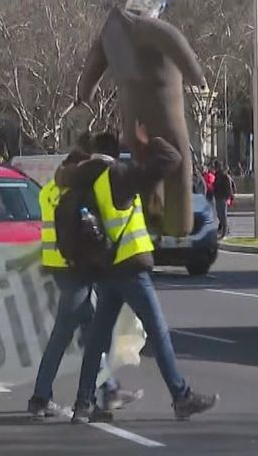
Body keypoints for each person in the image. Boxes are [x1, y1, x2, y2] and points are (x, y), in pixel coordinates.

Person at [71, 126, 218, 423]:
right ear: (115, 152)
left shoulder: (93, 181)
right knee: (159, 332)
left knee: (98, 338)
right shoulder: (119, 176)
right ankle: (181, 396)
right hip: (130, 269)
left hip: (108, 269)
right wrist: (147, 141)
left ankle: (83, 403)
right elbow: (171, 158)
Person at [28, 137, 141, 419]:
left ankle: (103, 391)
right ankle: (46, 397)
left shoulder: (48, 191)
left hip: (57, 266)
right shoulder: (76, 190)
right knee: (68, 334)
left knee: (88, 331)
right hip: (74, 268)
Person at [212, 161, 234, 239]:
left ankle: (224, 233)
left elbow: (230, 187)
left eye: (215, 166)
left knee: (223, 215)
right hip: (218, 197)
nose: (214, 168)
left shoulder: (224, 176)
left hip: (223, 197)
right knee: (219, 214)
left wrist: (228, 197)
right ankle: (224, 230)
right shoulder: (217, 175)